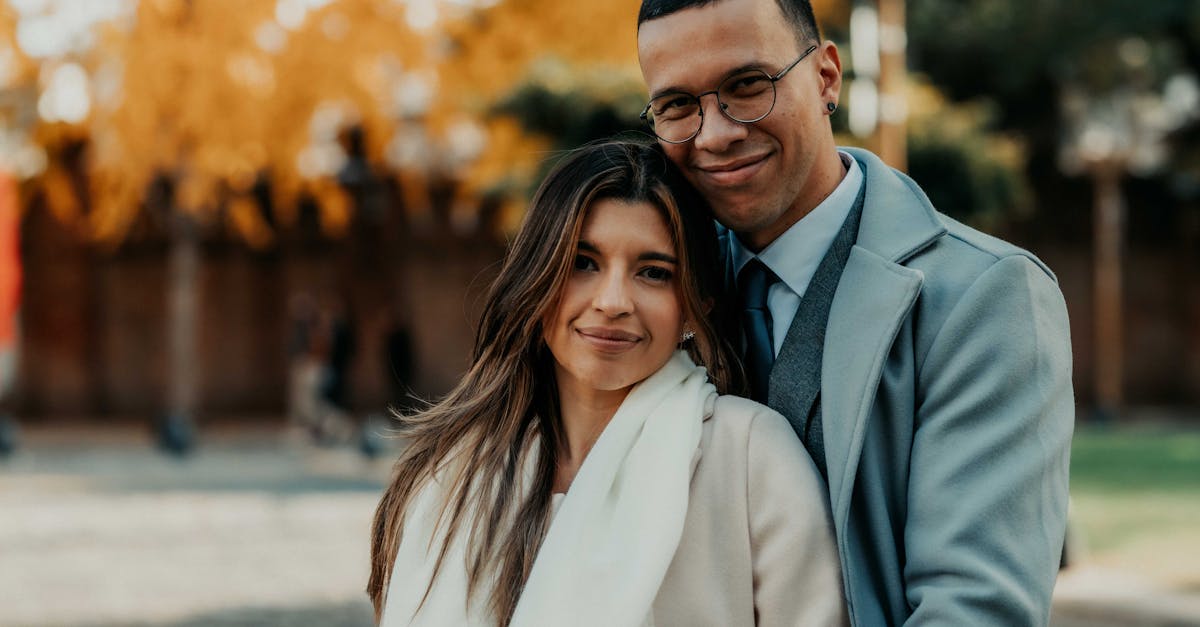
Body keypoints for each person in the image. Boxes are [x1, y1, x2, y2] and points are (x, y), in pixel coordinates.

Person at [636, 1, 1075, 625]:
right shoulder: (659, 294)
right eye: (678, 105)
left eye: (746, 87)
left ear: (826, 77)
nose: (715, 133)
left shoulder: (985, 296)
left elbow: (973, 610)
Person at [367, 141, 846, 626]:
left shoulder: (749, 457)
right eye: (583, 262)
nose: (613, 300)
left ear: (693, 303)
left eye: (654, 273)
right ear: (537, 275)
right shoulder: (451, 472)